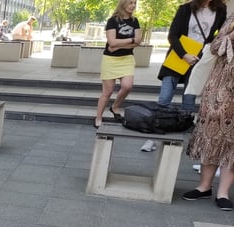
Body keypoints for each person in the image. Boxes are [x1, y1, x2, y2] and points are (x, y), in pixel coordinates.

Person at [140, 0, 226, 152]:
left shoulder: (220, 10)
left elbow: (219, 35)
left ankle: (185, 141)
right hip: (177, 57)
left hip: (199, 60)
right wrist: (184, 55)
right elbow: (172, 35)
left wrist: (207, 51)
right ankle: (152, 138)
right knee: (164, 98)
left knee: (189, 101)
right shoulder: (185, 9)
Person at [182, 15, 234, 210]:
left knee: (232, 141)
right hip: (219, 87)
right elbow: (214, 46)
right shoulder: (231, 20)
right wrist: (231, 37)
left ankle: (223, 193)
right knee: (211, 134)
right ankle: (204, 187)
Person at [94, 0, 141, 129]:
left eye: (135, 3)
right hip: (111, 60)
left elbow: (138, 41)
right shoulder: (113, 21)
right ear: (123, 4)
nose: (133, 6)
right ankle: (98, 117)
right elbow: (112, 43)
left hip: (127, 58)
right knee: (107, 92)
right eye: (130, 2)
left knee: (127, 86)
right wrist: (130, 40)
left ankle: (115, 107)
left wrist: (119, 44)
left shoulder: (134, 21)